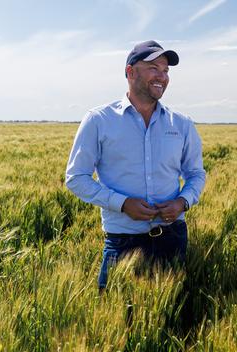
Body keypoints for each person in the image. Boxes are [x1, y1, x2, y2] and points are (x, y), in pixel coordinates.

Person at [66, 40, 206, 290]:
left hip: (172, 237)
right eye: (153, 68)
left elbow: (195, 174)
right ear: (130, 72)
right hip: (122, 242)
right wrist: (122, 204)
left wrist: (182, 202)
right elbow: (76, 178)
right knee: (113, 319)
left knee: (170, 318)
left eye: (165, 71)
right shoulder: (99, 120)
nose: (161, 77)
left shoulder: (182, 124)